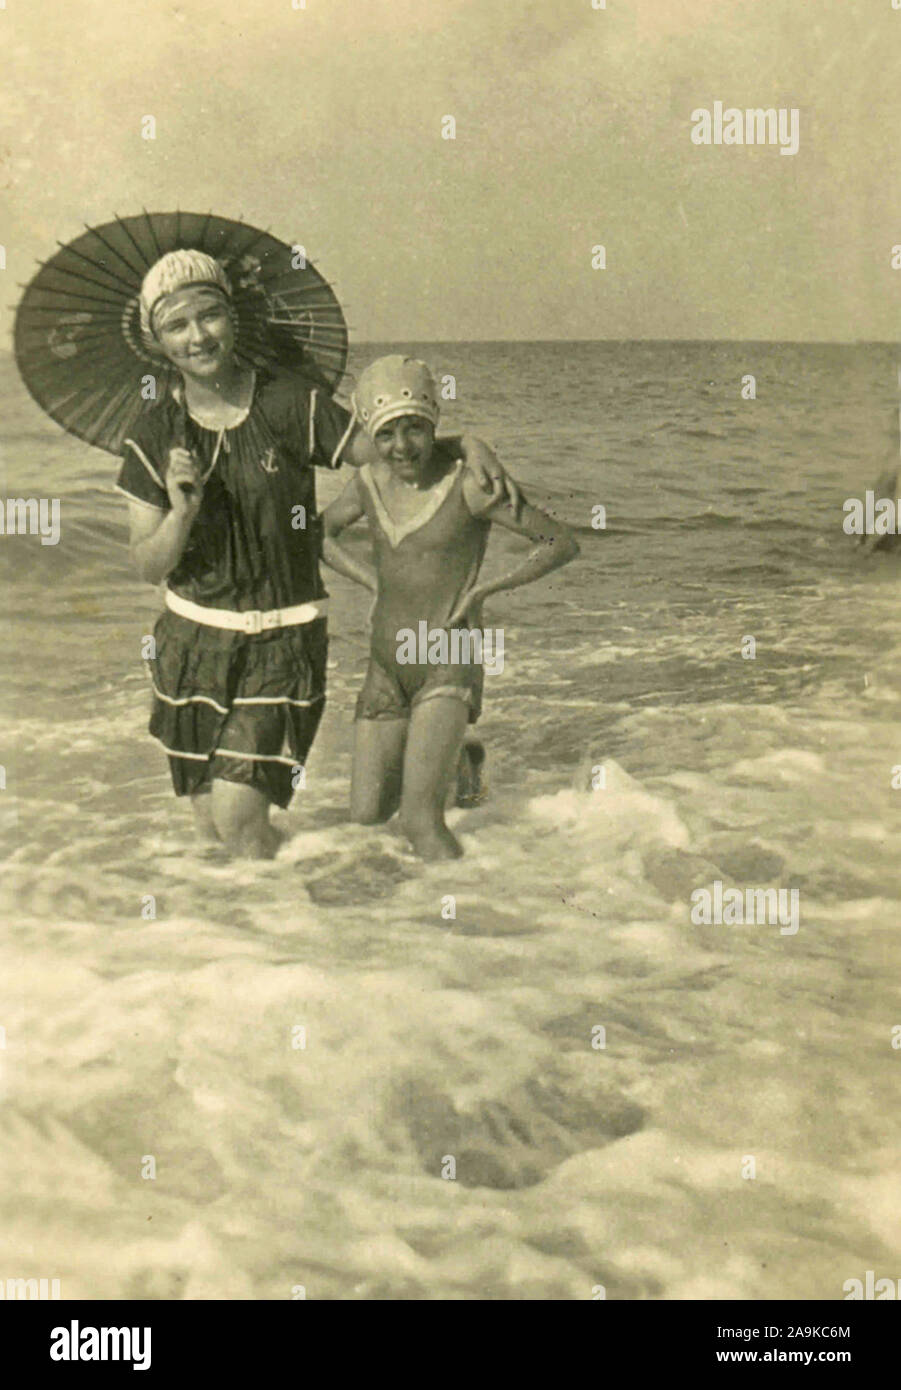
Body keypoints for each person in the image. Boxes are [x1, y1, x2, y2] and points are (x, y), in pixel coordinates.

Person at [116, 251, 520, 858]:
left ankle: (295, 939)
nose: (198, 336)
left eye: (210, 316)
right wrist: (181, 511)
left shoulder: (289, 403)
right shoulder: (151, 437)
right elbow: (148, 565)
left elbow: (392, 450)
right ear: (156, 340)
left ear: (233, 317)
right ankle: (307, 914)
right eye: (177, 325)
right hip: (189, 646)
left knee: (238, 819)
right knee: (217, 829)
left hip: (280, 641)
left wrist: (465, 441)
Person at [321, 355, 580, 861]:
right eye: (387, 434)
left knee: (419, 822)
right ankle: (461, 757)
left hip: (446, 653)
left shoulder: (471, 486)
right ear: (371, 437)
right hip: (384, 660)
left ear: (433, 422)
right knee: (368, 817)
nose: (402, 447)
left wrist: (485, 591)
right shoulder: (367, 484)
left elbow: (560, 541)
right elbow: (318, 534)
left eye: (415, 429)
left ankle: (470, 922)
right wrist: (371, 580)